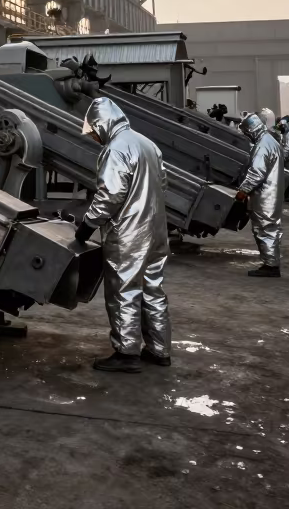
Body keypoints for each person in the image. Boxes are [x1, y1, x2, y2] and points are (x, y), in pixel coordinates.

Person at [74, 96, 171, 374]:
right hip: (155, 231)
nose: (94, 137)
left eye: (94, 131)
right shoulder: (147, 143)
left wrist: (88, 225)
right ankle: (159, 350)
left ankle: (127, 352)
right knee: (153, 289)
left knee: (124, 290)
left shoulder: (116, 149)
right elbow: (162, 183)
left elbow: (110, 195)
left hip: (128, 234)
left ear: (102, 124)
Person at [235, 111, 284, 277]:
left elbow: (257, 173)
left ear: (252, 130)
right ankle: (271, 261)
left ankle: (271, 265)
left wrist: (243, 190)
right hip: (272, 193)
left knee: (264, 229)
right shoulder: (271, 141)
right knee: (271, 228)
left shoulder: (262, 145)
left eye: (247, 133)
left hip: (264, 196)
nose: (247, 136)